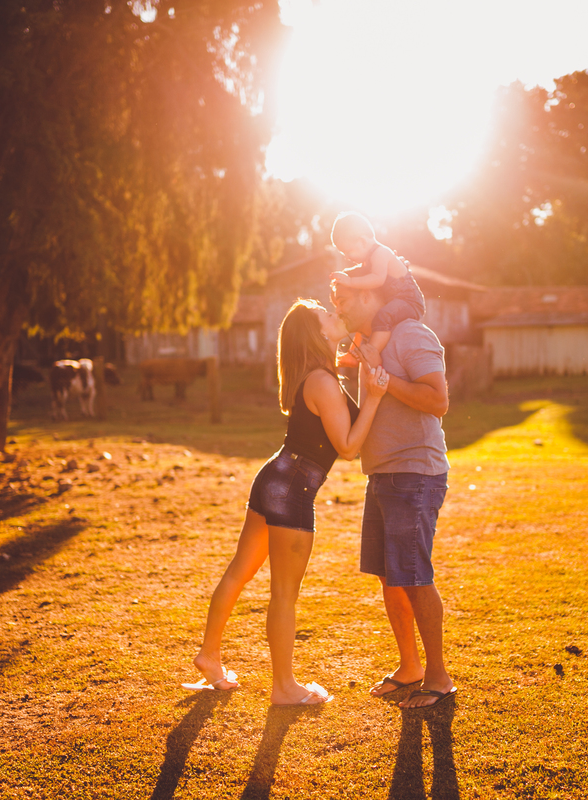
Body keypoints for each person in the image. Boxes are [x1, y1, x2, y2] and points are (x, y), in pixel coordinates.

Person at [184, 299, 391, 706]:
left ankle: (209, 655)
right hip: (292, 486)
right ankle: (283, 688)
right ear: (317, 334)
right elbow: (348, 448)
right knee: (283, 592)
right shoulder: (322, 382)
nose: (335, 314)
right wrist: (375, 399)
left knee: (238, 574)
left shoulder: (315, 376)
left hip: (275, 477)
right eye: (325, 315)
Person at [331, 268, 457, 709]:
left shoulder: (411, 335)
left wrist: (385, 379)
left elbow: (438, 401)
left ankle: (438, 678)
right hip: (381, 471)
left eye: (343, 298)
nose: (338, 307)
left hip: (415, 472)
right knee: (389, 574)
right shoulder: (366, 346)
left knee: (414, 573)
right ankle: (410, 667)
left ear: (370, 296)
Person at [329, 213, 426, 368]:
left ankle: (372, 350)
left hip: (409, 301)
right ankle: (353, 354)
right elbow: (361, 271)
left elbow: (377, 278)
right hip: (396, 300)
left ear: (362, 241)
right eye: (344, 254)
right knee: (365, 318)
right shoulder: (369, 258)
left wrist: (351, 281)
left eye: (349, 251)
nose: (348, 256)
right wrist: (345, 275)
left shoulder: (381, 253)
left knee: (383, 316)